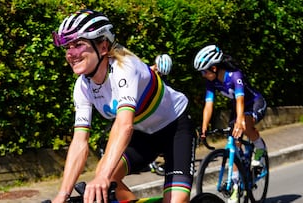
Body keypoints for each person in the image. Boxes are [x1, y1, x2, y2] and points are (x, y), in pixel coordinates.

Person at [51, 9, 196, 203]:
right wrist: (62, 195)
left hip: (174, 128)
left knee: (175, 201)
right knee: (105, 174)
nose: (71, 53)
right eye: (67, 47)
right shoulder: (82, 86)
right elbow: (80, 141)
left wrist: (102, 177)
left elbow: (123, 125)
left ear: (103, 47)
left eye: (78, 44)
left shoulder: (125, 67)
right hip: (143, 134)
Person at [193, 45, 267, 203]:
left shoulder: (235, 75)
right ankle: (235, 187)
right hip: (238, 107)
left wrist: (240, 122)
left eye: (204, 71)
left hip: (254, 103)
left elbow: (240, 100)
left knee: (244, 125)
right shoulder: (211, 82)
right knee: (234, 144)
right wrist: (204, 125)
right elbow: (208, 104)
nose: (203, 75)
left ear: (213, 68)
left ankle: (260, 148)